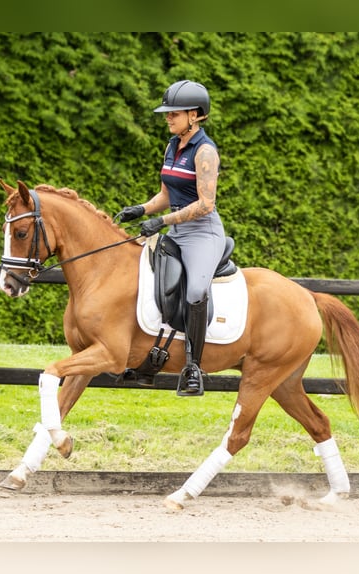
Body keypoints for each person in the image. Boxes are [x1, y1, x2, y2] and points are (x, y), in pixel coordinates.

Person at [116, 79, 227, 394]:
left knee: (194, 291)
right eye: (167, 113)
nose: (167, 117)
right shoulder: (172, 146)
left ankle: (193, 368)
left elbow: (206, 204)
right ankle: (146, 357)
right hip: (175, 230)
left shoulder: (205, 151)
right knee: (141, 276)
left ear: (194, 115)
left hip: (203, 235)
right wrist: (141, 209)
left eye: (174, 113)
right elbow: (167, 193)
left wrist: (161, 221)